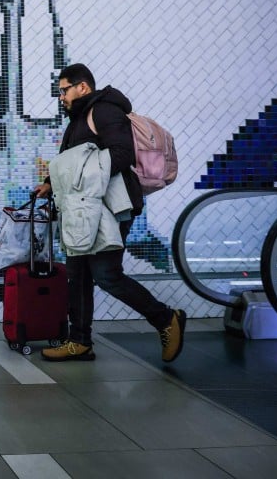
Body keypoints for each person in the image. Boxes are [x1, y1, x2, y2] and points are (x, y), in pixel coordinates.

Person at [34, 64, 186, 363]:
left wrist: (77, 181)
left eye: (64, 90)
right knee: (77, 274)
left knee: (106, 275)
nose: (61, 96)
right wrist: (51, 184)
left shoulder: (103, 111)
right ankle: (79, 341)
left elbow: (121, 154)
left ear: (82, 87)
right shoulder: (79, 119)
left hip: (111, 206)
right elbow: (76, 161)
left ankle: (166, 319)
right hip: (85, 208)